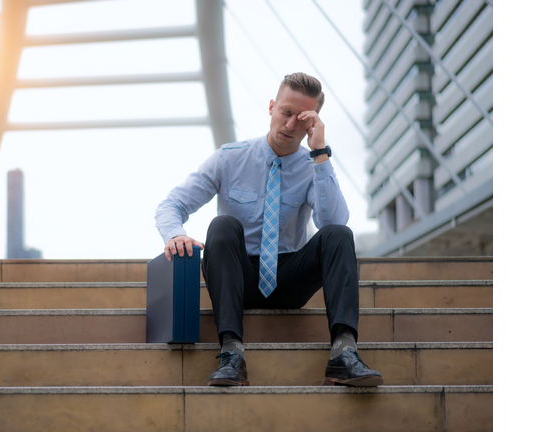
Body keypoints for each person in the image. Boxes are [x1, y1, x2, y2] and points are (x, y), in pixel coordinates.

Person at [154, 72, 382, 387]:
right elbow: (171, 205)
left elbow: (331, 224)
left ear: (312, 124)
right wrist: (175, 234)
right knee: (222, 225)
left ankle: (344, 354)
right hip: (238, 278)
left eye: (301, 119)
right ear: (272, 107)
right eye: (286, 113)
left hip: (289, 278)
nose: (290, 125)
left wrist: (320, 154)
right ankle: (232, 354)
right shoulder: (229, 158)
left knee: (340, 235)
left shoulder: (313, 166)